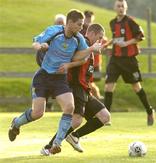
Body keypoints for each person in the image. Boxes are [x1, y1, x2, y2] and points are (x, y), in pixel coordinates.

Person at [8, 9, 102, 155]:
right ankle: (16, 123)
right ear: (69, 22)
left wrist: (91, 49)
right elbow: (36, 41)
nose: (81, 27)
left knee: (69, 107)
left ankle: (56, 144)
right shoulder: (55, 31)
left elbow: (81, 56)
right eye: (79, 24)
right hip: (43, 77)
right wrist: (41, 46)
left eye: (82, 25)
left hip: (60, 80)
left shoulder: (79, 38)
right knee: (38, 113)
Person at [40, 23, 110, 156]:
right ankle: (49, 147)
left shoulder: (90, 48)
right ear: (92, 33)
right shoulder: (82, 43)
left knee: (104, 116)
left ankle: (75, 136)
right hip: (76, 87)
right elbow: (73, 57)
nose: (100, 41)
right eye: (99, 37)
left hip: (85, 90)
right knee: (76, 120)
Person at [104, 0, 155, 126]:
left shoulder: (130, 21)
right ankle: (106, 117)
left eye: (123, 6)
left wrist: (126, 43)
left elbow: (140, 36)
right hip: (115, 59)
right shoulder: (112, 23)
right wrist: (106, 45)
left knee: (136, 87)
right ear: (114, 8)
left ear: (126, 8)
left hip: (129, 60)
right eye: (118, 6)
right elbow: (116, 37)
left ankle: (149, 111)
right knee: (108, 87)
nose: (120, 8)